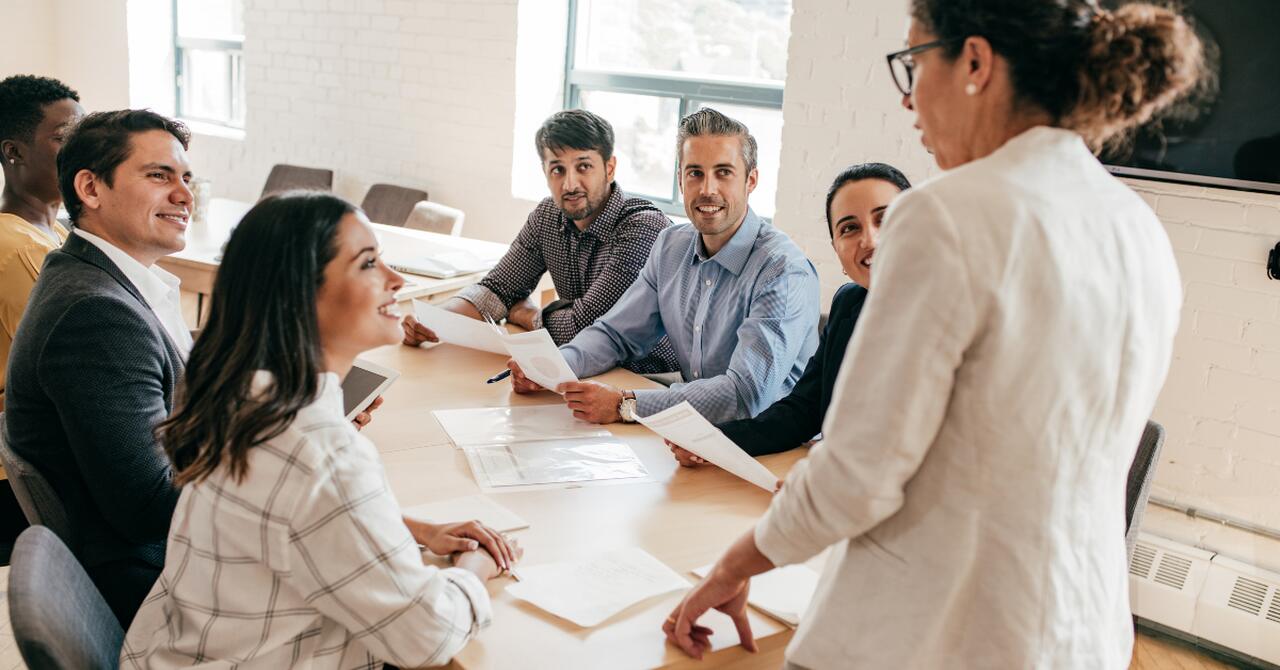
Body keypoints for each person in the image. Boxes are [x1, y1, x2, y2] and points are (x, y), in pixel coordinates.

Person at [663, 2, 1204, 668]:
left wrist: (733, 565)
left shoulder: (945, 217)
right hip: (1083, 633)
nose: (909, 98)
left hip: (938, 631)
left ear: (974, 61)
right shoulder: (1138, 229)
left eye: (914, 63)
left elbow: (859, 473)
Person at [121, 192, 520, 669]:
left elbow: (296, 521)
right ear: (300, 293)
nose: (398, 280)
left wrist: (405, 529)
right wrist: (476, 567)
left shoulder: (244, 397)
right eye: (369, 264)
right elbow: (426, 637)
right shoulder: (319, 451)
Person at [3, 109, 197, 626]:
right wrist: (279, 457)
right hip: (160, 587)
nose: (184, 195)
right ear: (90, 188)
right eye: (159, 175)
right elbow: (149, 506)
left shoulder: (97, 278)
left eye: (186, 178)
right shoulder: (98, 314)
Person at [509, 108, 820, 426]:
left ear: (750, 180)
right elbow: (616, 334)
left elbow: (745, 395)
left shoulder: (782, 271)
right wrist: (552, 366)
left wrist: (625, 405)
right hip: (694, 436)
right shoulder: (671, 245)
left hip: (774, 449)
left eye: (723, 172)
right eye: (695, 173)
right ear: (681, 180)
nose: (707, 189)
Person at [667, 163, 910, 467]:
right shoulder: (850, 304)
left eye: (884, 219)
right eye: (849, 228)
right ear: (837, 249)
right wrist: (715, 442)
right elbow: (803, 410)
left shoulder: (959, 312)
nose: (870, 240)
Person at [401, 109, 679, 373]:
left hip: (649, 378)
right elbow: (497, 289)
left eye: (583, 167)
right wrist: (435, 320)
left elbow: (587, 328)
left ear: (609, 168)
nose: (570, 184)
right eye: (558, 170)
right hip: (581, 368)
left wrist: (530, 315)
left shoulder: (642, 228)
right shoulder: (548, 216)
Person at [0, 75, 83, 404]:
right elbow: (73, 363)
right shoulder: (18, 247)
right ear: (14, 152)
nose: (83, 151)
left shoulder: (56, 231)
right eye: (66, 138)